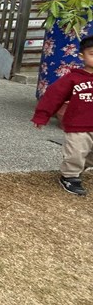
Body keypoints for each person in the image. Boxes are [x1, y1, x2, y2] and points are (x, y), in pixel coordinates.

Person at [32, 35, 93, 196]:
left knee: (88, 155)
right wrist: (42, 115)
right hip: (78, 125)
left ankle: (79, 168)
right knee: (76, 152)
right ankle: (70, 176)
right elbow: (54, 96)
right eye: (92, 54)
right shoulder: (74, 78)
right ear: (82, 56)